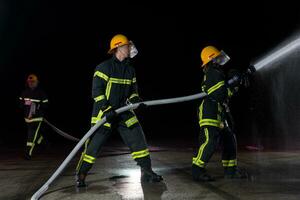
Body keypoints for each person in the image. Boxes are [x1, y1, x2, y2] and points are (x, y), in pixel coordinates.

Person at [76, 34, 163, 187]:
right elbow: (96, 91)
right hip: (105, 114)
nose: (130, 48)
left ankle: (147, 172)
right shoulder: (103, 67)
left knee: (138, 137)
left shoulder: (130, 70)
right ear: (118, 47)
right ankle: (81, 174)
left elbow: (133, 91)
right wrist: (106, 108)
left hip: (123, 112)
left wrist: (136, 99)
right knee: (93, 146)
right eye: (127, 46)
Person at [192, 46, 248, 181]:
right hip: (209, 112)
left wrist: (237, 82)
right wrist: (234, 83)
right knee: (210, 141)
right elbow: (220, 94)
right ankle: (197, 170)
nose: (219, 59)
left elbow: (225, 92)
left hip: (219, 112)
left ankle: (231, 171)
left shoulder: (217, 73)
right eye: (216, 57)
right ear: (211, 59)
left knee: (229, 140)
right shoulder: (212, 73)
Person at [19, 74, 49, 160]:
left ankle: (28, 153)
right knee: (34, 134)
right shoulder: (24, 92)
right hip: (27, 118)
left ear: (37, 82)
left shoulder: (41, 93)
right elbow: (20, 104)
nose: (31, 83)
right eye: (29, 82)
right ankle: (43, 142)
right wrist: (25, 103)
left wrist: (37, 105)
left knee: (31, 136)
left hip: (37, 118)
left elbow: (46, 104)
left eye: (33, 82)